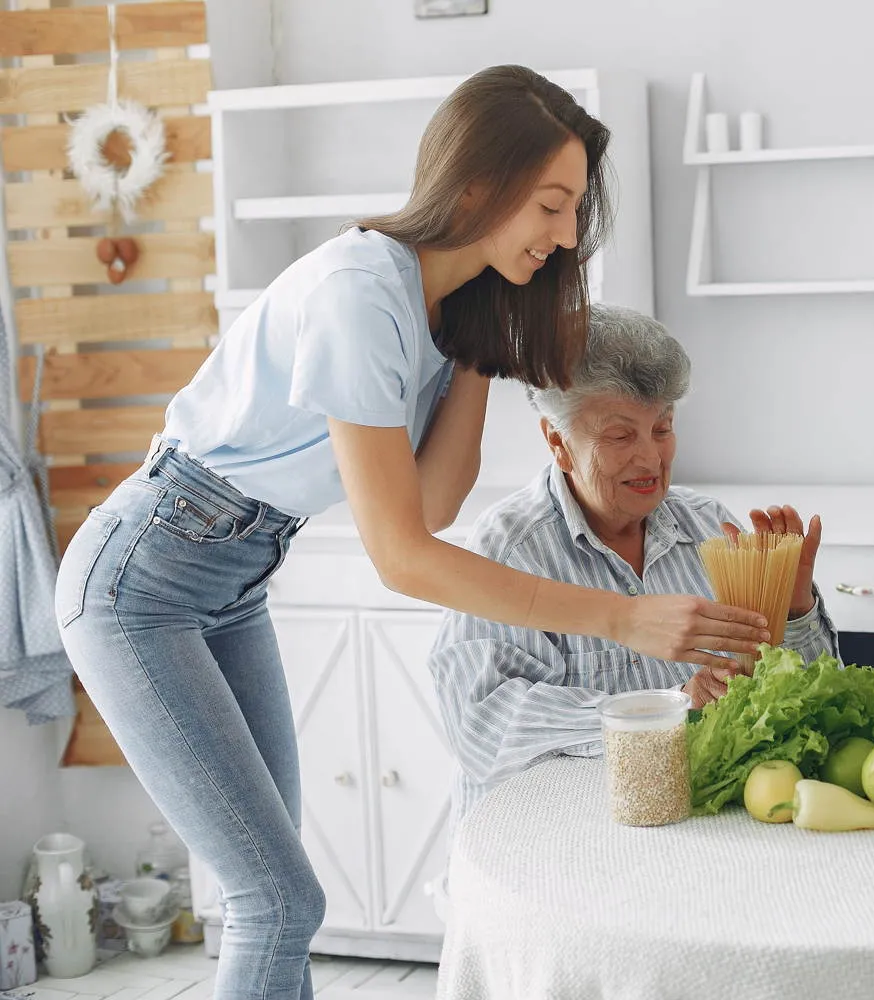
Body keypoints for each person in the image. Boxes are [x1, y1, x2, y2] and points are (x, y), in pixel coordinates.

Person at [52, 67, 768, 1000]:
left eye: (572, 212)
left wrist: (481, 345)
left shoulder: (439, 310)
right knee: (276, 900)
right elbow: (403, 555)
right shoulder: (359, 294)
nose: (562, 237)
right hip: (139, 585)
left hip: (231, 582)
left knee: (270, 892)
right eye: (550, 207)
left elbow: (433, 503)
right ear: (476, 187)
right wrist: (622, 621)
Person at [429, 304, 838, 823]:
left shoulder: (709, 527)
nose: (650, 459)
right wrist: (665, 710)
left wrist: (795, 607)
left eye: (662, 429)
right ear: (558, 442)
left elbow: (800, 699)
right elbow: (481, 727)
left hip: (690, 829)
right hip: (553, 841)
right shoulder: (508, 550)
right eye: (621, 436)